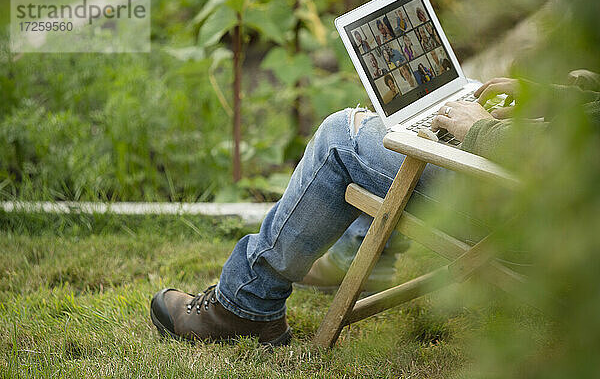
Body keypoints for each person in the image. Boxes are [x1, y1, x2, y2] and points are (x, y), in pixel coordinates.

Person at [152, 75, 600, 345]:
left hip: (541, 223)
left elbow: (570, 156)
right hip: (562, 218)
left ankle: (244, 306)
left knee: (342, 138)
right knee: (418, 124)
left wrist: (478, 131)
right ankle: (359, 262)